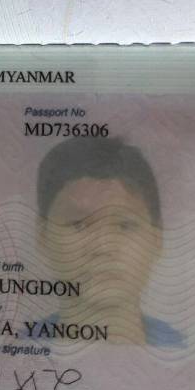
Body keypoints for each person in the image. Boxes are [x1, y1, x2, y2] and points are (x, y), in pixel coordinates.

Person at [34, 136, 183, 346]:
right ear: (43, 235)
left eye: (125, 225)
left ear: (157, 238)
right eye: (79, 225)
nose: (102, 247)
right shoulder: (11, 355)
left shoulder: (193, 355)